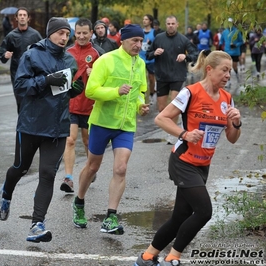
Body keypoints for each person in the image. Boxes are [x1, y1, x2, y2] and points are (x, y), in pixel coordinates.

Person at [134, 50, 241, 266]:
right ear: (209, 70)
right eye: (224, 70)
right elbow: (161, 118)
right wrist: (185, 134)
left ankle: (147, 257)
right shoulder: (190, 93)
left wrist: (237, 122)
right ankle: (173, 257)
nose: (228, 75)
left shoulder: (227, 98)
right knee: (204, 211)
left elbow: (232, 138)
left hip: (203, 164)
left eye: (230, 71)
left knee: (180, 216)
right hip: (184, 161)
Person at [0, 17, 84, 243]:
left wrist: (75, 89)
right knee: (20, 168)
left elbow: (63, 92)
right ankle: (6, 194)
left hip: (57, 127)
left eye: (67, 34)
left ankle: (37, 224)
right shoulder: (31, 55)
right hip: (31, 125)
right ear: (50, 33)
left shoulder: (70, 61)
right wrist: (46, 80)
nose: (65, 38)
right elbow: (21, 86)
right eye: (60, 33)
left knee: (47, 174)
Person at [72, 24, 150, 234]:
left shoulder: (141, 64)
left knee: (121, 168)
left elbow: (140, 92)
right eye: (134, 40)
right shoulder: (106, 60)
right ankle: (79, 202)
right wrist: (116, 91)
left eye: (141, 41)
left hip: (125, 126)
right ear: (122, 41)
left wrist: (140, 105)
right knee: (93, 166)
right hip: (101, 123)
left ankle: (111, 217)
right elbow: (91, 90)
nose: (138, 45)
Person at [60, 18, 105, 193]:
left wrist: (95, 74)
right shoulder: (67, 52)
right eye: (78, 33)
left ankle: (90, 170)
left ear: (91, 33)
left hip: (90, 105)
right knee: (70, 140)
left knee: (88, 142)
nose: (81, 36)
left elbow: (107, 78)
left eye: (85, 33)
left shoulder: (98, 53)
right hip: (70, 104)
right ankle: (68, 178)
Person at [146, 15, 198, 144]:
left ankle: (174, 134)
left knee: (174, 105)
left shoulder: (183, 39)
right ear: (166, 24)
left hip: (177, 76)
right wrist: (154, 53)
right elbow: (148, 54)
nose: (170, 25)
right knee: (162, 108)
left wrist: (185, 57)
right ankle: (169, 129)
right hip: (162, 76)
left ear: (177, 24)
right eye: (168, 23)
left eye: (172, 23)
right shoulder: (158, 38)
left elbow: (195, 54)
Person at [0, 7, 43, 113]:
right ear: (16, 18)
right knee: (20, 99)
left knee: (32, 98)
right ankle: (21, 127)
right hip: (17, 72)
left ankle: (32, 125)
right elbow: (2, 50)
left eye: (24, 15)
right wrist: (5, 54)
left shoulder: (35, 35)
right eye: (20, 15)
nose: (22, 17)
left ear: (28, 18)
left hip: (32, 71)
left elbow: (44, 50)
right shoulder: (11, 36)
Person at [219, 18, 243, 86]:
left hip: (235, 51)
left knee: (234, 66)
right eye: (228, 23)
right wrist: (220, 45)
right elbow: (221, 40)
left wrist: (236, 45)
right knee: (227, 67)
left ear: (233, 23)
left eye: (230, 23)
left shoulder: (237, 31)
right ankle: (228, 81)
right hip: (227, 51)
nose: (229, 24)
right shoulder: (224, 32)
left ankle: (237, 75)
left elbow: (241, 41)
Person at [140, 14, 157, 105]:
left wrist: (151, 43)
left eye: (146, 19)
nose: (144, 21)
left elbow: (157, 44)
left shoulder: (154, 32)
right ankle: (141, 95)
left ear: (150, 21)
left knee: (151, 79)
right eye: (143, 19)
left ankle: (151, 94)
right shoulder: (140, 32)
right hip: (140, 58)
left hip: (150, 59)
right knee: (140, 79)